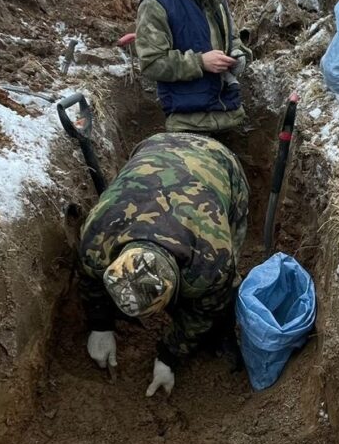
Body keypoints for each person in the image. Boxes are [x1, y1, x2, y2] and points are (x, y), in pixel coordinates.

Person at [79, 132, 248, 397]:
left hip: (217, 161)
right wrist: (100, 325)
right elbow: (90, 279)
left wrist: (169, 356)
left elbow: (201, 313)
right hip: (154, 146)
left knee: (222, 291)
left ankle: (223, 332)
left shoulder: (211, 261)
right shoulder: (97, 237)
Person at [136, 0, 251, 137]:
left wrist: (237, 53)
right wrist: (200, 63)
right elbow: (152, 63)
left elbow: (230, 38)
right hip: (188, 124)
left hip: (229, 114)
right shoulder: (157, 3)